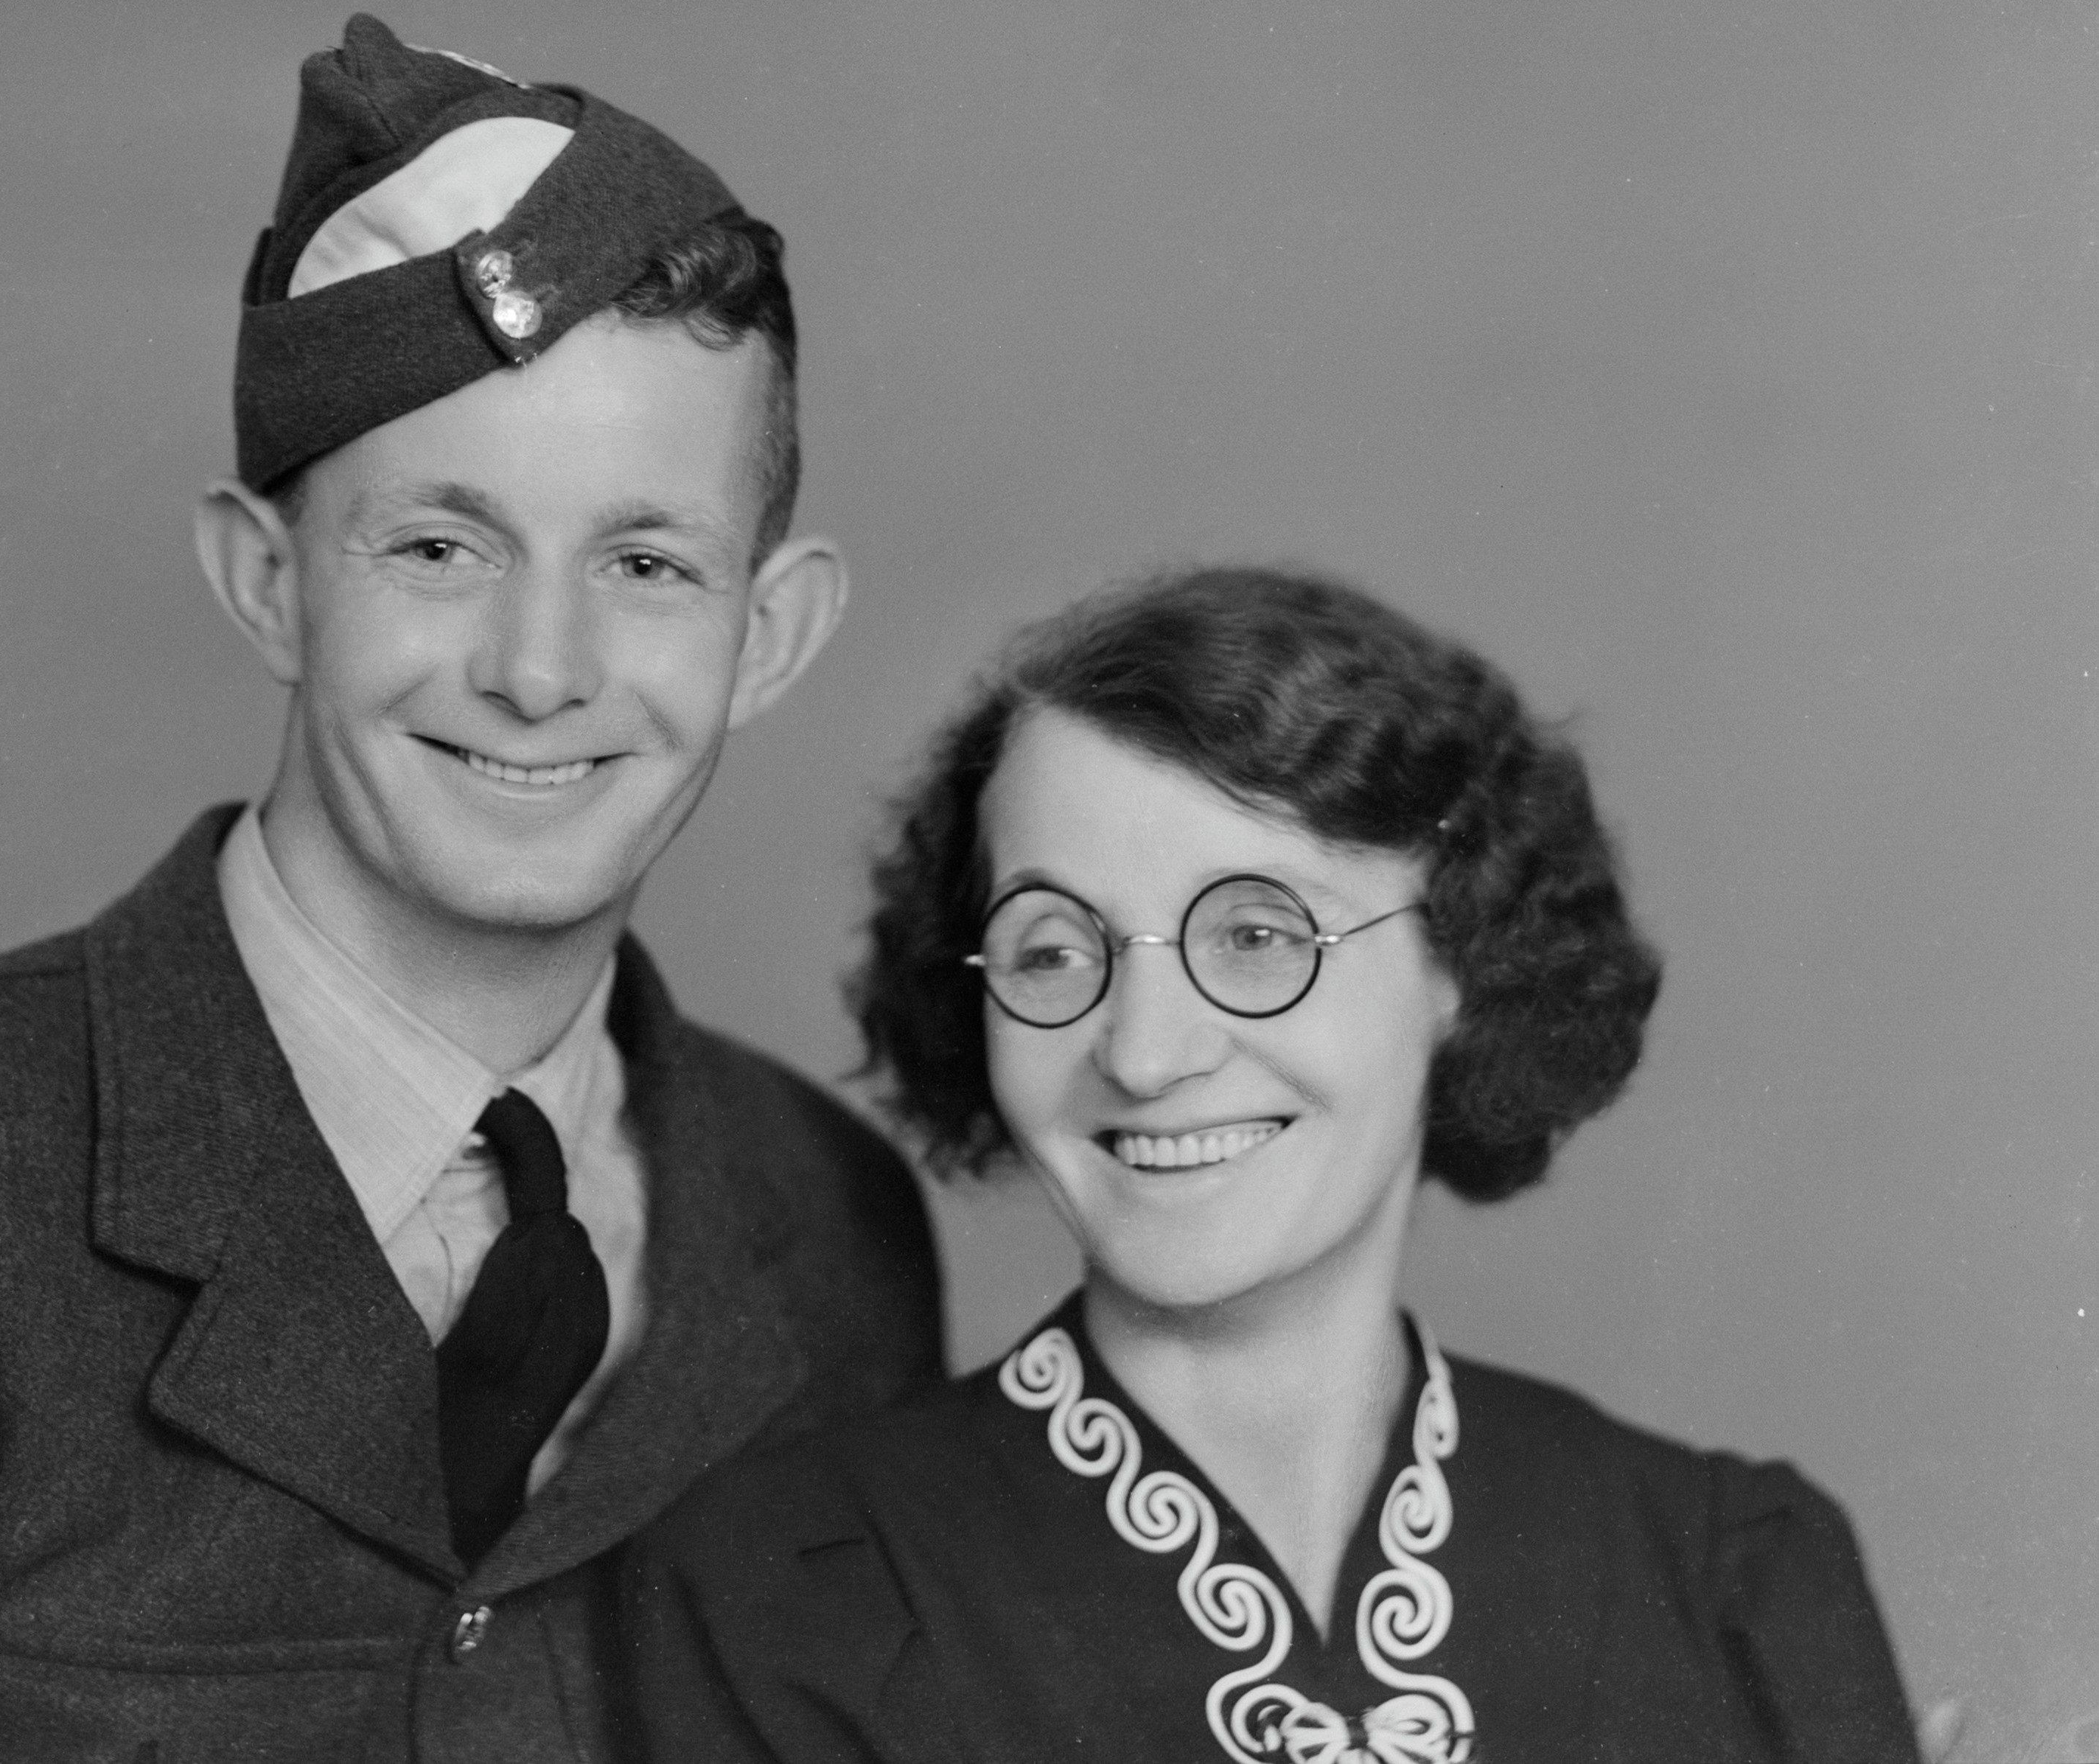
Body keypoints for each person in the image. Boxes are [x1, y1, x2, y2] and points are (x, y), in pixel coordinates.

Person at [0, 15, 939, 1763]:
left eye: (647, 564)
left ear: (770, 631)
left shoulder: (836, 1236)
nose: (541, 670)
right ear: (266, 582)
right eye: (440, 547)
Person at [620, 567, 1923, 1763]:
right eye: (1055, 952)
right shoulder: (775, 1592)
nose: (1142, 1053)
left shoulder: (1734, 1575)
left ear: (1462, 968)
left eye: (1255, 934)